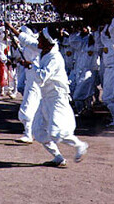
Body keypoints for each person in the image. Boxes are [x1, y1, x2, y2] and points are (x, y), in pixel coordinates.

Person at [29, 27, 88, 167]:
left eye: (40, 39)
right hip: (45, 98)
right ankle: (58, 157)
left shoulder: (54, 58)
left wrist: (32, 65)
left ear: (48, 41)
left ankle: (80, 145)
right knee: (38, 131)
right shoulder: (44, 53)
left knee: (56, 132)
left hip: (57, 98)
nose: (38, 40)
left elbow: (42, 77)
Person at [6, 21, 41, 144]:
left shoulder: (36, 44)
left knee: (27, 107)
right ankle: (31, 132)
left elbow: (24, 39)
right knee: (32, 106)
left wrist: (11, 27)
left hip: (36, 81)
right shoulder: (29, 45)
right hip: (30, 78)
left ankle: (28, 134)